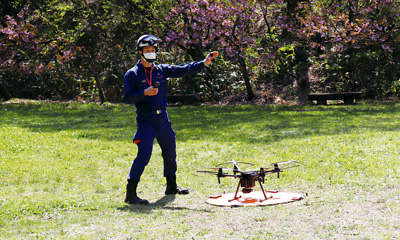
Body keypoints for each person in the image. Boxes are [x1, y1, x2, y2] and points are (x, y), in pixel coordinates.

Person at [123, 34, 218, 204]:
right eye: (147, 50)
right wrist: (144, 92)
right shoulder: (132, 74)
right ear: (140, 52)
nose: (151, 53)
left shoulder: (161, 70)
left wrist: (203, 63)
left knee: (170, 153)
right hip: (146, 120)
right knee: (143, 156)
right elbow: (127, 98)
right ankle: (130, 194)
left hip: (163, 119)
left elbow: (183, 69)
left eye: (153, 50)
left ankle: (171, 186)